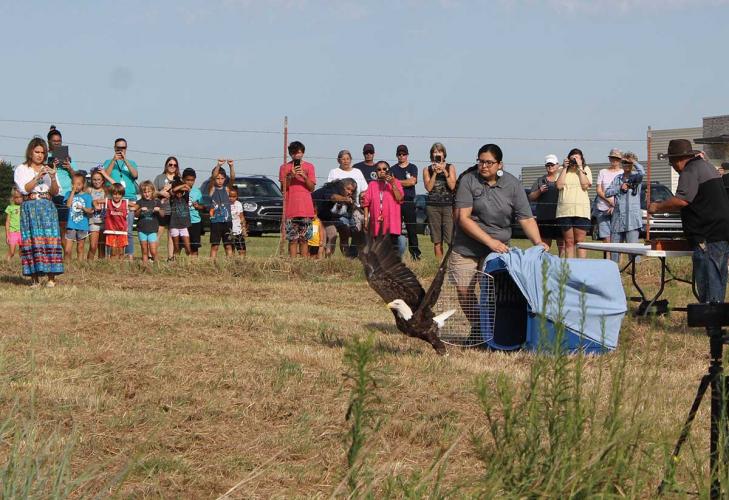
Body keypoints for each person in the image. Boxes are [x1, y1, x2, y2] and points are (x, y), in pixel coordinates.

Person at [449, 144, 547, 336]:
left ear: (500, 164)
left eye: (489, 162)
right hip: (466, 246)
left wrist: (538, 242)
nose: (484, 166)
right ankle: (480, 329)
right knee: (463, 290)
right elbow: (463, 218)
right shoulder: (468, 181)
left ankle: (496, 329)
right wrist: (489, 241)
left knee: (496, 293)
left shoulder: (513, 185)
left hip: (498, 249)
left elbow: (525, 218)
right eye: (481, 161)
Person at [648, 139, 729, 303]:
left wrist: (657, 207)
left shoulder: (690, 170)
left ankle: (711, 322)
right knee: (718, 278)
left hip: (707, 235)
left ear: (678, 159)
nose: (673, 167)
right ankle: (715, 320)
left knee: (709, 279)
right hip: (720, 232)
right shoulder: (707, 166)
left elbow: (681, 201)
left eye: (671, 163)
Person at [13, 137, 64, 286]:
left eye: (42, 152)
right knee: (33, 241)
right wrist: (37, 177)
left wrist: (53, 177)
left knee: (51, 240)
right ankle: (34, 278)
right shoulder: (21, 169)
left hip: (47, 206)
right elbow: (25, 189)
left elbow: (55, 192)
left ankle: (51, 278)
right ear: (30, 152)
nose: (40, 155)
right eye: (37, 152)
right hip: (30, 206)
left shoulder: (49, 169)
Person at [604, 153, 645, 261]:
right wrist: (619, 188)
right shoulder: (617, 179)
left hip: (632, 220)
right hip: (618, 219)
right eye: (624, 162)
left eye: (628, 162)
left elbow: (642, 172)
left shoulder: (636, 177)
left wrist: (634, 162)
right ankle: (614, 270)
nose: (626, 164)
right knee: (614, 249)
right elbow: (607, 192)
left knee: (633, 250)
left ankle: (634, 272)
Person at [279, 141, 316, 258]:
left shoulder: (309, 167)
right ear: (290, 154)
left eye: (299, 153)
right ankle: (293, 263)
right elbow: (283, 189)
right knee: (293, 239)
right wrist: (290, 176)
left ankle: (304, 263)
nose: (297, 155)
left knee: (304, 239)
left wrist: (304, 177)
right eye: (294, 153)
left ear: (303, 153)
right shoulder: (284, 167)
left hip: (306, 209)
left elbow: (312, 188)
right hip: (291, 209)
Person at [103, 138, 139, 260]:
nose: (120, 150)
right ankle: (113, 256)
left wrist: (125, 161)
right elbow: (105, 175)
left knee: (128, 229)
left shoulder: (132, 162)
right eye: (118, 148)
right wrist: (114, 161)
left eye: (123, 148)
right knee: (112, 229)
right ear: (114, 148)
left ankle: (129, 256)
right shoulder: (108, 161)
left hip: (128, 198)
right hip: (113, 198)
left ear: (126, 149)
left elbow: (135, 175)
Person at [555, 148, 592, 258]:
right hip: (565, 211)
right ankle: (569, 268)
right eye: (572, 158)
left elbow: (585, 185)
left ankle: (581, 268)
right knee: (569, 241)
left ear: (582, 159)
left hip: (581, 210)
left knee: (580, 242)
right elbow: (559, 185)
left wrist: (580, 168)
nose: (574, 161)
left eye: (577, 158)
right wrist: (565, 168)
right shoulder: (561, 169)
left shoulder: (586, 169)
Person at [423, 142, 456, 259]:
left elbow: (452, 186)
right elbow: (428, 187)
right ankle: (439, 265)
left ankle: (452, 263)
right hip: (433, 205)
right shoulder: (427, 169)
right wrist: (435, 174)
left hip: (447, 205)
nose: (437, 154)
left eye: (439, 151)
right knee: (437, 239)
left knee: (450, 238)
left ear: (444, 154)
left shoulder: (450, 167)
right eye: (435, 152)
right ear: (432, 155)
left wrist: (444, 171)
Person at [528, 154, 564, 256]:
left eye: (552, 165)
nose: (550, 167)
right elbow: (531, 197)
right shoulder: (540, 180)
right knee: (544, 246)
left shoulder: (562, 178)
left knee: (562, 244)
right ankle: (545, 263)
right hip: (544, 217)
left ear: (557, 165)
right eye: (548, 165)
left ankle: (562, 265)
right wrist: (540, 191)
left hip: (560, 216)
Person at [362, 161, 404, 246]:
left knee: (392, 249)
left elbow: (400, 198)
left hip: (391, 223)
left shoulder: (395, 182)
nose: (382, 171)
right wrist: (366, 220)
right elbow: (366, 204)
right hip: (377, 223)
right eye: (379, 169)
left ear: (388, 170)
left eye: (384, 169)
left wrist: (392, 184)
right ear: (376, 172)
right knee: (379, 249)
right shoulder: (372, 184)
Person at [313, 178, 358, 257]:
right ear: (341, 186)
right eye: (348, 189)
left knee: (345, 230)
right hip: (315, 215)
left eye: (352, 191)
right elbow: (333, 197)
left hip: (329, 217)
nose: (349, 192)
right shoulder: (332, 188)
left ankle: (347, 257)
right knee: (332, 233)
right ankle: (327, 259)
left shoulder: (349, 199)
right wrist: (345, 199)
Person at [391, 144, 421, 260]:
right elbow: (391, 184)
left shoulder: (413, 167)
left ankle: (415, 254)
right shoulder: (393, 169)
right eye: (399, 154)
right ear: (397, 155)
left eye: (403, 154)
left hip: (408, 201)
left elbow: (412, 182)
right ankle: (396, 255)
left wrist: (397, 181)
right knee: (396, 229)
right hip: (396, 202)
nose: (401, 156)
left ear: (407, 155)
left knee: (411, 229)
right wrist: (404, 182)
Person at [47, 126, 77, 238]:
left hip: (66, 195)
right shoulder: (44, 156)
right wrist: (51, 164)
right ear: (49, 142)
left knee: (64, 225)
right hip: (51, 194)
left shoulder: (68, 157)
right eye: (54, 141)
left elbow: (77, 178)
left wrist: (69, 168)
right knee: (51, 225)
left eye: (59, 141)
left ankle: (65, 253)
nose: (57, 143)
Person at [594, 149, 624, 260]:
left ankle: (617, 261)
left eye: (617, 158)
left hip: (618, 208)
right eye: (612, 158)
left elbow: (623, 191)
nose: (614, 160)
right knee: (605, 235)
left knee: (617, 235)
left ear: (620, 160)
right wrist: (609, 201)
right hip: (603, 207)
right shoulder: (603, 172)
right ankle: (607, 260)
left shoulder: (622, 173)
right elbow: (599, 189)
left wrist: (614, 204)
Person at [154, 157, 181, 260]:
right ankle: (152, 256)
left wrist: (171, 192)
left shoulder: (179, 179)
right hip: (161, 209)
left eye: (175, 165)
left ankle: (170, 258)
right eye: (170, 164)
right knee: (157, 234)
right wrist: (161, 192)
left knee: (171, 235)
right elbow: (152, 192)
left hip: (174, 210)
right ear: (166, 165)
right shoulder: (159, 177)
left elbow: (182, 194)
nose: (172, 167)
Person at [63, 172, 94, 262]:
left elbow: (90, 210)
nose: (76, 186)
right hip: (71, 225)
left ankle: (80, 264)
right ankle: (67, 264)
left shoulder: (87, 196)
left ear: (83, 185)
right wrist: (72, 192)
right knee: (68, 249)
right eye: (74, 184)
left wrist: (83, 208)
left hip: (82, 225)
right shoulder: (68, 193)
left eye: (78, 184)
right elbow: (68, 205)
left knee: (80, 247)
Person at [209, 159, 235, 258]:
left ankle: (230, 266)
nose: (220, 180)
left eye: (222, 178)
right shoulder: (212, 189)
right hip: (215, 222)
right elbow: (213, 177)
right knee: (215, 246)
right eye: (218, 178)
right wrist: (218, 165)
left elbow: (232, 178)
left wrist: (231, 166)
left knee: (228, 245)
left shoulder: (227, 189)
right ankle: (212, 266)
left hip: (227, 221)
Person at [87, 167, 113, 260]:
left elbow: (116, 185)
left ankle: (100, 265)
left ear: (103, 181)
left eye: (99, 179)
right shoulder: (89, 190)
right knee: (93, 246)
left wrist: (105, 174)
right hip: (93, 221)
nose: (96, 181)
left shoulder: (106, 190)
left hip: (104, 221)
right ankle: (88, 264)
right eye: (94, 179)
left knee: (102, 246)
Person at [103, 183, 133, 260]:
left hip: (122, 231)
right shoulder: (108, 202)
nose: (117, 196)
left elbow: (135, 206)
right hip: (111, 230)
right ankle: (113, 267)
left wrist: (134, 209)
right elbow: (95, 202)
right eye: (115, 194)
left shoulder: (125, 202)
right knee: (113, 251)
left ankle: (120, 267)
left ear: (122, 195)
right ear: (111, 194)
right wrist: (97, 206)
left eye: (119, 194)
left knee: (121, 251)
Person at [135, 181, 162, 264]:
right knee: (144, 250)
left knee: (153, 251)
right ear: (141, 192)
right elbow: (136, 214)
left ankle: (157, 265)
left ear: (152, 191)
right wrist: (140, 210)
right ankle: (145, 266)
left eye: (148, 192)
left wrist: (159, 210)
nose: (146, 194)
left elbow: (163, 214)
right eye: (144, 192)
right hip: (141, 229)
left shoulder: (156, 202)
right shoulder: (139, 202)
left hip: (152, 230)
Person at [183, 168, 204, 256]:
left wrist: (198, 206)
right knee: (184, 245)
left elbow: (202, 206)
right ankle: (186, 263)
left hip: (195, 222)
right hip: (183, 222)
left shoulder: (197, 192)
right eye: (188, 180)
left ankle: (194, 263)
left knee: (194, 246)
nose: (190, 182)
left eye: (192, 180)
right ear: (183, 179)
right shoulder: (180, 191)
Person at [169, 179, 192, 258]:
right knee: (176, 248)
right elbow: (173, 190)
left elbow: (188, 188)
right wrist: (181, 187)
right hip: (174, 225)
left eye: (181, 192)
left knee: (188, 248)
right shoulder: (172, 199)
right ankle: (175, 263)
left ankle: (189, 262)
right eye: (177, 192)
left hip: (184, 225)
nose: (179, 193)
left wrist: (181, 187)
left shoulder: (185, 198)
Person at [229, 186, 247, 256]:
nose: (231, 198)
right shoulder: (226, 204)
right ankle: (231, 264)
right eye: (230, 196)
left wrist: (244, 228)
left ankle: (242, 264)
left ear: (237, 196)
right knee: (231, 249)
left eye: (234, 196)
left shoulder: (238, 204)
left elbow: (242, 217)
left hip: (238, 230)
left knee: (242, 249)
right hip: (230, 231)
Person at [5, 188, 22, 260]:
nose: (19, 199)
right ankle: (6, 264)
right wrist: (7, 235)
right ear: (13, 198)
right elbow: (7, 222)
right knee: (12, 252)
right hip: (13, 232)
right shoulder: (10, 208)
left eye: (20, 197)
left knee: (22, 253)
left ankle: (23, 267)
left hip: (22, 232)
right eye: (16, 197)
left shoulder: (25, 206)